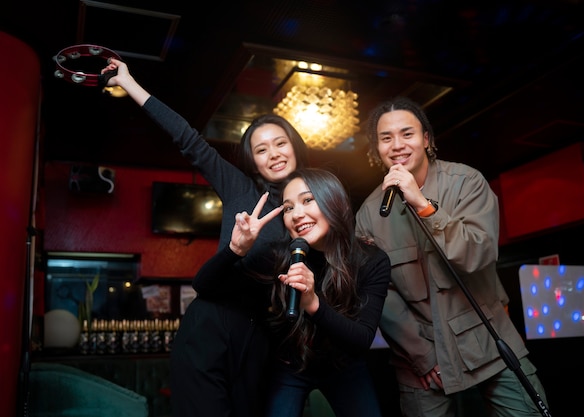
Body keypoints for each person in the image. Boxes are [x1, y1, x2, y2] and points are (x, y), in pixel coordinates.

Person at [101, 58, 310, 417]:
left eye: (280, 143)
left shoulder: (312, 203)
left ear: (295, 145)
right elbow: (187, 138)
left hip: (261, 341)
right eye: (262, 150)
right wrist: (129, 83)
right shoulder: (239, 189)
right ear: (253, 161)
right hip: (209, 329)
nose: (274, 154)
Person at [354, 96, 549, 417]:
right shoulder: (369, 215)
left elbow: (478, 253)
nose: (397, 145)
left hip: (489, 344)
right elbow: (381, 295)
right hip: (421, 364)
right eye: (386, 138)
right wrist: (421, 356)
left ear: (427, 139)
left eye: (408, 134)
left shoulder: (466, 182)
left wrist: (424, 206)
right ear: (377, 149)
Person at [194, 168, 392, 417]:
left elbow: (363, 338)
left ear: (334, 200)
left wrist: (312, 304)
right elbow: (204, 286)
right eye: (288, 208)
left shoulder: (370, 260)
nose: (297, 214)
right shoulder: (277, 256)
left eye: (308, 200)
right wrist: (236, 248)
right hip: (290, 366)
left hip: (345, 365)